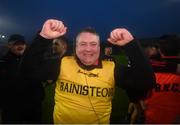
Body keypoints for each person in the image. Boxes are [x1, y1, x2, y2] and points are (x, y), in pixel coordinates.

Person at [21, 19, 155, 124]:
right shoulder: (63, 63)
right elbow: (28, 70)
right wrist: (43, 37)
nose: (88, 49)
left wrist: (131, 45)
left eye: (93, 44)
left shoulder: (111, 67)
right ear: (76, 47)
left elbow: (146, 82)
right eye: (83, 44)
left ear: (99, 46)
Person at [143, 38, 180, 123]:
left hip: (153, 119)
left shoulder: (150, 73)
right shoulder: (152, 70)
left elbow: (143, 101)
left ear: (160, 52)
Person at [0, 34, 27, 123]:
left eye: (22, 43)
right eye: (16, 44)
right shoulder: (3, 63)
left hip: (29, 108)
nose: (20, 46)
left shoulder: (30, 61)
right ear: (9, 45)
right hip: (10, 108)